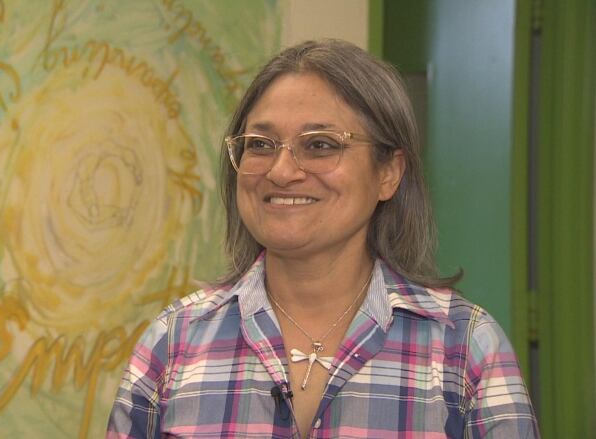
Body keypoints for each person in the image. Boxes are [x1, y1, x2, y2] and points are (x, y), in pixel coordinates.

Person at [107, 39, 538, 438]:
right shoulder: (173, 342)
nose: (281, 171)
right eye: (260, 144)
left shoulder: (465, 348)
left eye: (320, 145)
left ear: (388, 172)